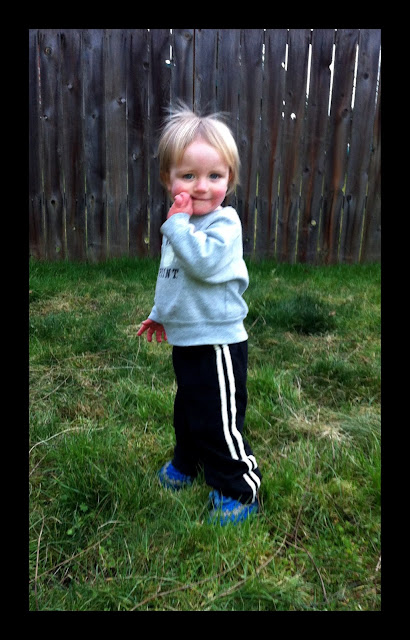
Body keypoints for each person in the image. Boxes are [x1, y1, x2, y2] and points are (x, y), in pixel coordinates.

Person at [137, 103, 262, 525]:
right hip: (187, 337)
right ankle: (187, 463)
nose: (202, 187)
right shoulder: (181, 226)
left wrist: (177, 227)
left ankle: (239, 489)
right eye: (188, 176)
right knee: (189, 408)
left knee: (218, 419)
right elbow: (173, 277)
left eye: (215, 176)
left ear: (230, 179)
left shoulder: (224, 225)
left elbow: (203, 264)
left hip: (218, 341)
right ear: (168, 179)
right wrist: (160, 313)